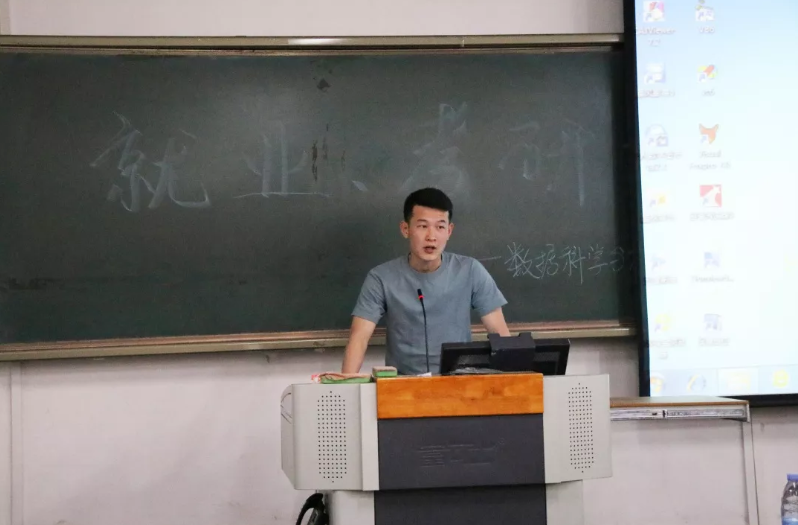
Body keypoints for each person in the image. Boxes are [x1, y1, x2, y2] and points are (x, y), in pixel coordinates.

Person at [341, 187, 511, 375]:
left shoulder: (470, 270)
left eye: (440, 227)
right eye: (423, 226)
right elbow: (359, 338)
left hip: (459, 381)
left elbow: (500, 334)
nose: (431, 237)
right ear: (405, 229)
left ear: (449, 231)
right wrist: (346, 385)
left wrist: (516, 381)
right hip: (403, 384)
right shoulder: (381, 278)